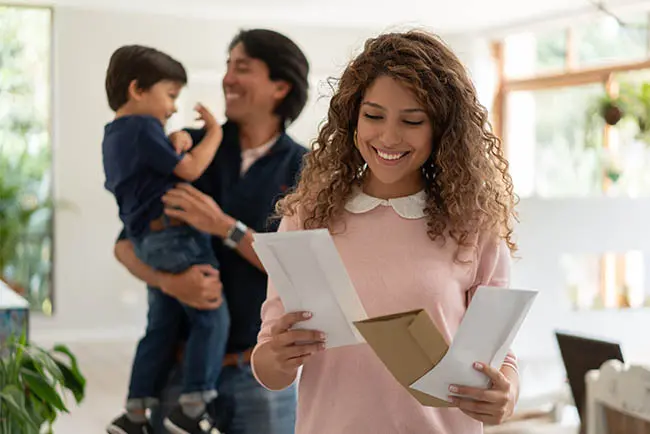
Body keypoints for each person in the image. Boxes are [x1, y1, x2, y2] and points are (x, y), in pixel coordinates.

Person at [251, 30, 520, 433]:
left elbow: (500, 358)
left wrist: (506, 395)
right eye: (374, 116)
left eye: (412, 121)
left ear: (441, 128)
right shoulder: (308, 217)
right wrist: (276, 357)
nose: (389, 137)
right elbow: (270, 365)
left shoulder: (474, 226)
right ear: (352, 117)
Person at [113, 29, 310, 434]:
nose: (227, 79)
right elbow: (125, 245)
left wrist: (224, 227)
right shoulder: (188, 149)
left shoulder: (307, 169)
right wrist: (170, 283)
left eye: (242, 68)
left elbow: (301, 271)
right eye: (227, 66)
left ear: (280, 86)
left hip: (261, 376)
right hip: (178, 372)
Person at [102, 45, 230, 434]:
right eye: (170, 95)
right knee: (211, 313)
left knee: (160, 324)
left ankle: (136, 411)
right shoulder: (143, 128)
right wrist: (214, 133)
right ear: (138, 88)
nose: (174, 107)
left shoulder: (115, 134)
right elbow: (189, 171)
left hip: (146, 240)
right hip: (175, 237)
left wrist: (175, 142)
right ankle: (192, 408)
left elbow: (158, 171)